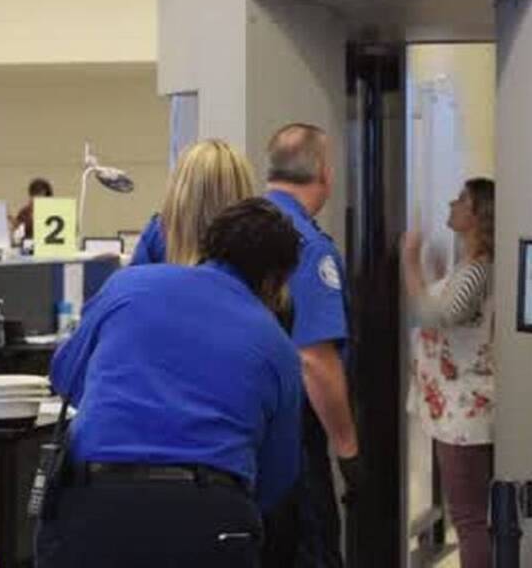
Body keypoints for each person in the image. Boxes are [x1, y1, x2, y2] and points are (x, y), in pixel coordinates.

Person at [38, 198, 304, 567]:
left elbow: (65, 373)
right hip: (209, 518)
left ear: (209, 246)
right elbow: (279, 472)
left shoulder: (128, 285)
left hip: (96, 507)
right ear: (275, 280)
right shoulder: (277, 345)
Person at [262, 123, 360, 567]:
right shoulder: (304, 245)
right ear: (323, 171)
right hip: (294, 443)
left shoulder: (239, 226)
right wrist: (348, 451)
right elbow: (314, 360)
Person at [402, 178, 496, 568]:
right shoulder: (469, 268)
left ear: (477, 216)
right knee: (472, 515)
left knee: (470, 519)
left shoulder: (478, 270)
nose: (452, 203)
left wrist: (410, 263)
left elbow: (436, 315)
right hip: (457, 413)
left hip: (465, 417)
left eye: (461, 200)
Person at [129, 139, 255, 266]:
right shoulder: (257, 241)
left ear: (181, 187)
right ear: (242, 188)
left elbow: (134, 280)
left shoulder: (158, 233)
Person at [13, 178, 54, 242]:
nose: (38, 198)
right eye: (35, 195)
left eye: (42, 195)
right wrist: (16, 226)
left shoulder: (55, 211)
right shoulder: (24, 212)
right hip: (30, 247)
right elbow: (18, 237)